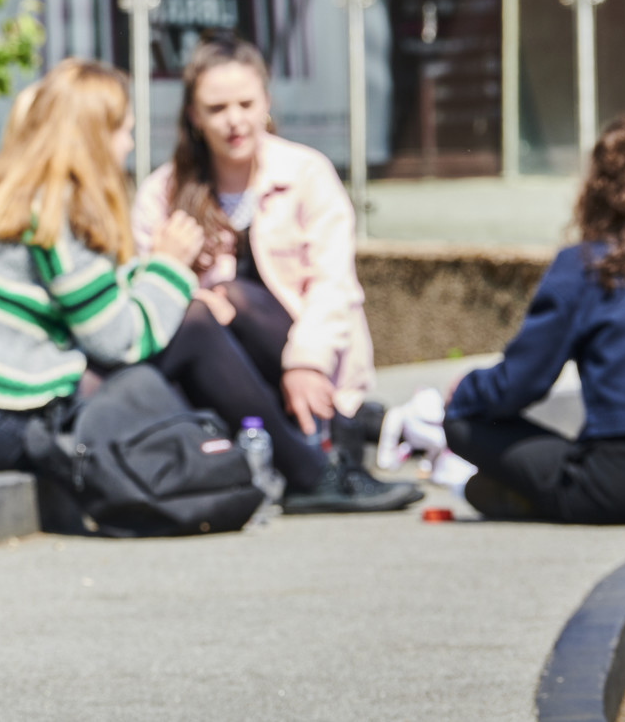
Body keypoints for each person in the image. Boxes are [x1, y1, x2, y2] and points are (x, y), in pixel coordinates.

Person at [0, 57, 415, 513]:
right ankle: (310, 474)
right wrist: (170, 267)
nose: (128, 144)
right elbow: (119, 339)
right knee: (192, 327)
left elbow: (94, 309)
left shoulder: (5, 194)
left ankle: (301, 458)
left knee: (191, 324)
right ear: (92, 136)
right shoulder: (57, 211)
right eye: (123, 131)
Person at [132, 35, 419, 512]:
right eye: (217, 107)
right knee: (212, 304)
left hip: (306, 353)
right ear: (193, 115)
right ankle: (315, 473)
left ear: (266, 101)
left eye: (246, 103)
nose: (235, 120)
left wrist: (305, 361)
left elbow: (334, 285)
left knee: (235, 295)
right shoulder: (161, 193)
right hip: (220, 366)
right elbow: (145, 296)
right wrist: (178, 276)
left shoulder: (307, 173)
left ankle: (332, 452)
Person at [444, 114, 625, 524]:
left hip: (617, 484)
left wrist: (463, 391)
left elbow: (522, 382)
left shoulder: (586, 268)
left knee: (462, 422)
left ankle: (526, 493)